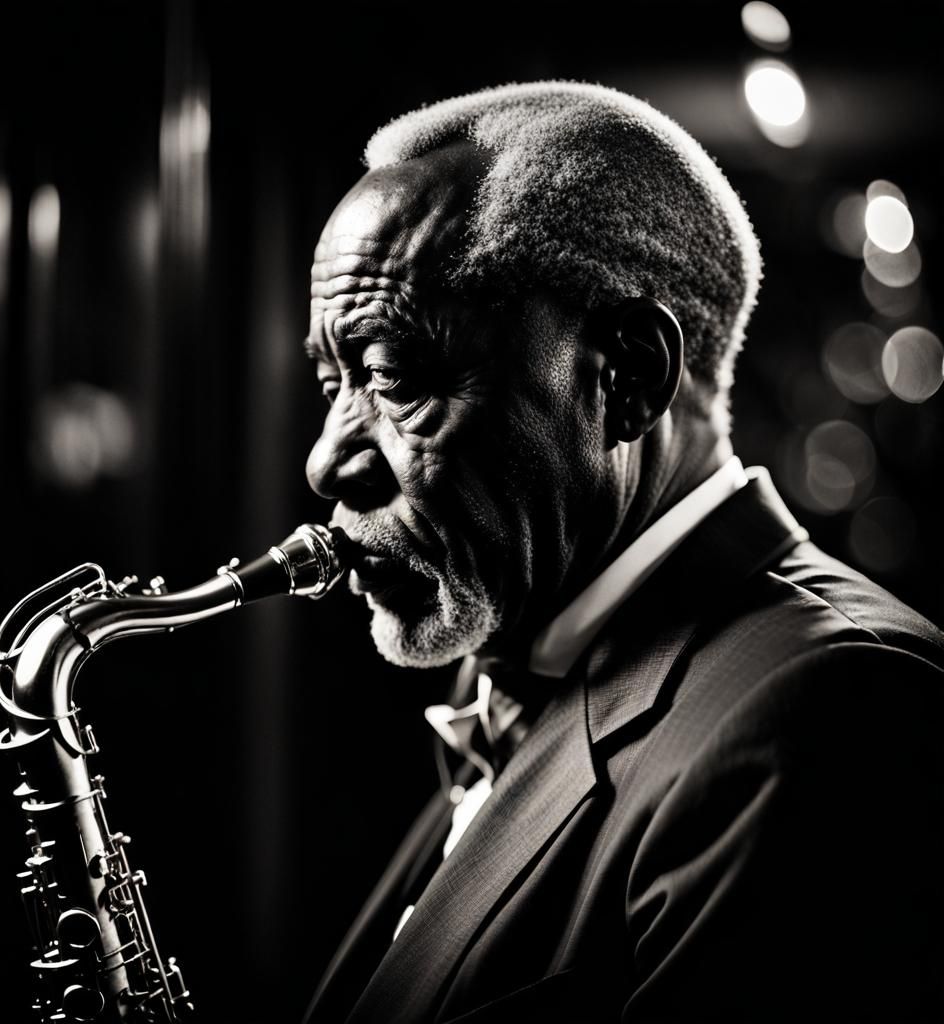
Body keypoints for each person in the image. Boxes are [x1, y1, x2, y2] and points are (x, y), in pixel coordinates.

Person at [300, 82, 944, 1023]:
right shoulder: (524, 654)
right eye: (333, 383)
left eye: (392, 375)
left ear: (630, 375)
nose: (325, 462)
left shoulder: (837, 709)